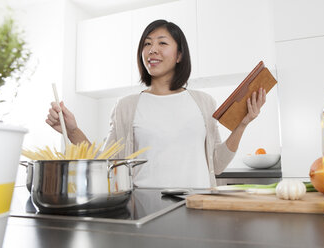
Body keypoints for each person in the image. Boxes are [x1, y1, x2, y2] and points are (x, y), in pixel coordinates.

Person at [46, 20, 266, 189]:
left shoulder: (204, 103)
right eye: (147, 44)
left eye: (162, 43)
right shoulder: (126, 106)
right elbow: (106, 164)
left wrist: (242, 125)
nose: (152, 49)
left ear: (179, 54)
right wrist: (72, 130)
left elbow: (217, 164)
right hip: (144, 207)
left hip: (198, 205)